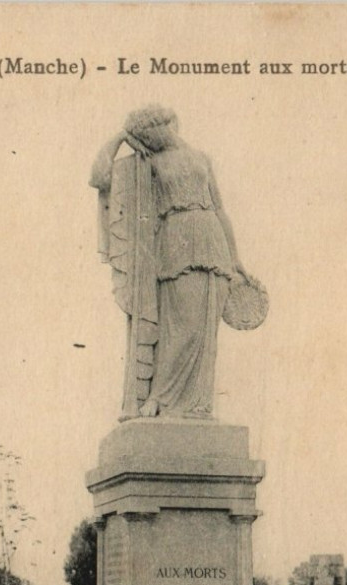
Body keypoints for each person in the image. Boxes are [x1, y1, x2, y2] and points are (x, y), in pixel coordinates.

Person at [90, 106, 246, 419]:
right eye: (140, 135)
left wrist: (236, 259)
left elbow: (220, 210)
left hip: (211, 240)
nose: (146, 139)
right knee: (179, 327)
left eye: (148, 132)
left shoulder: (202, 158)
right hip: (175, 241)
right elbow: (99, 176)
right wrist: (120, 137)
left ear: (164, 125)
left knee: (205, 329)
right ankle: (161, 398)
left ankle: (197, 405)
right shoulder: (147, 163)